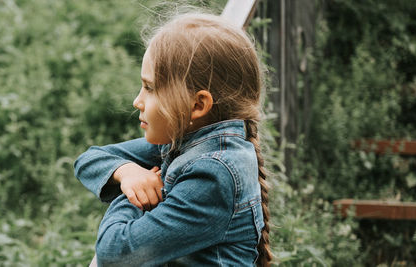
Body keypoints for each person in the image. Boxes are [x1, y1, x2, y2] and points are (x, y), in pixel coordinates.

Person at [74, 12, 272, 266]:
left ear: (198, 105)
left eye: (150, 88)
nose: (137, 101)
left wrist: (135, 196)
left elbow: (115, 252)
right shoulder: (187, 140)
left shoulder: (213, 173)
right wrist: (128, 173)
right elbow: (89, 159)